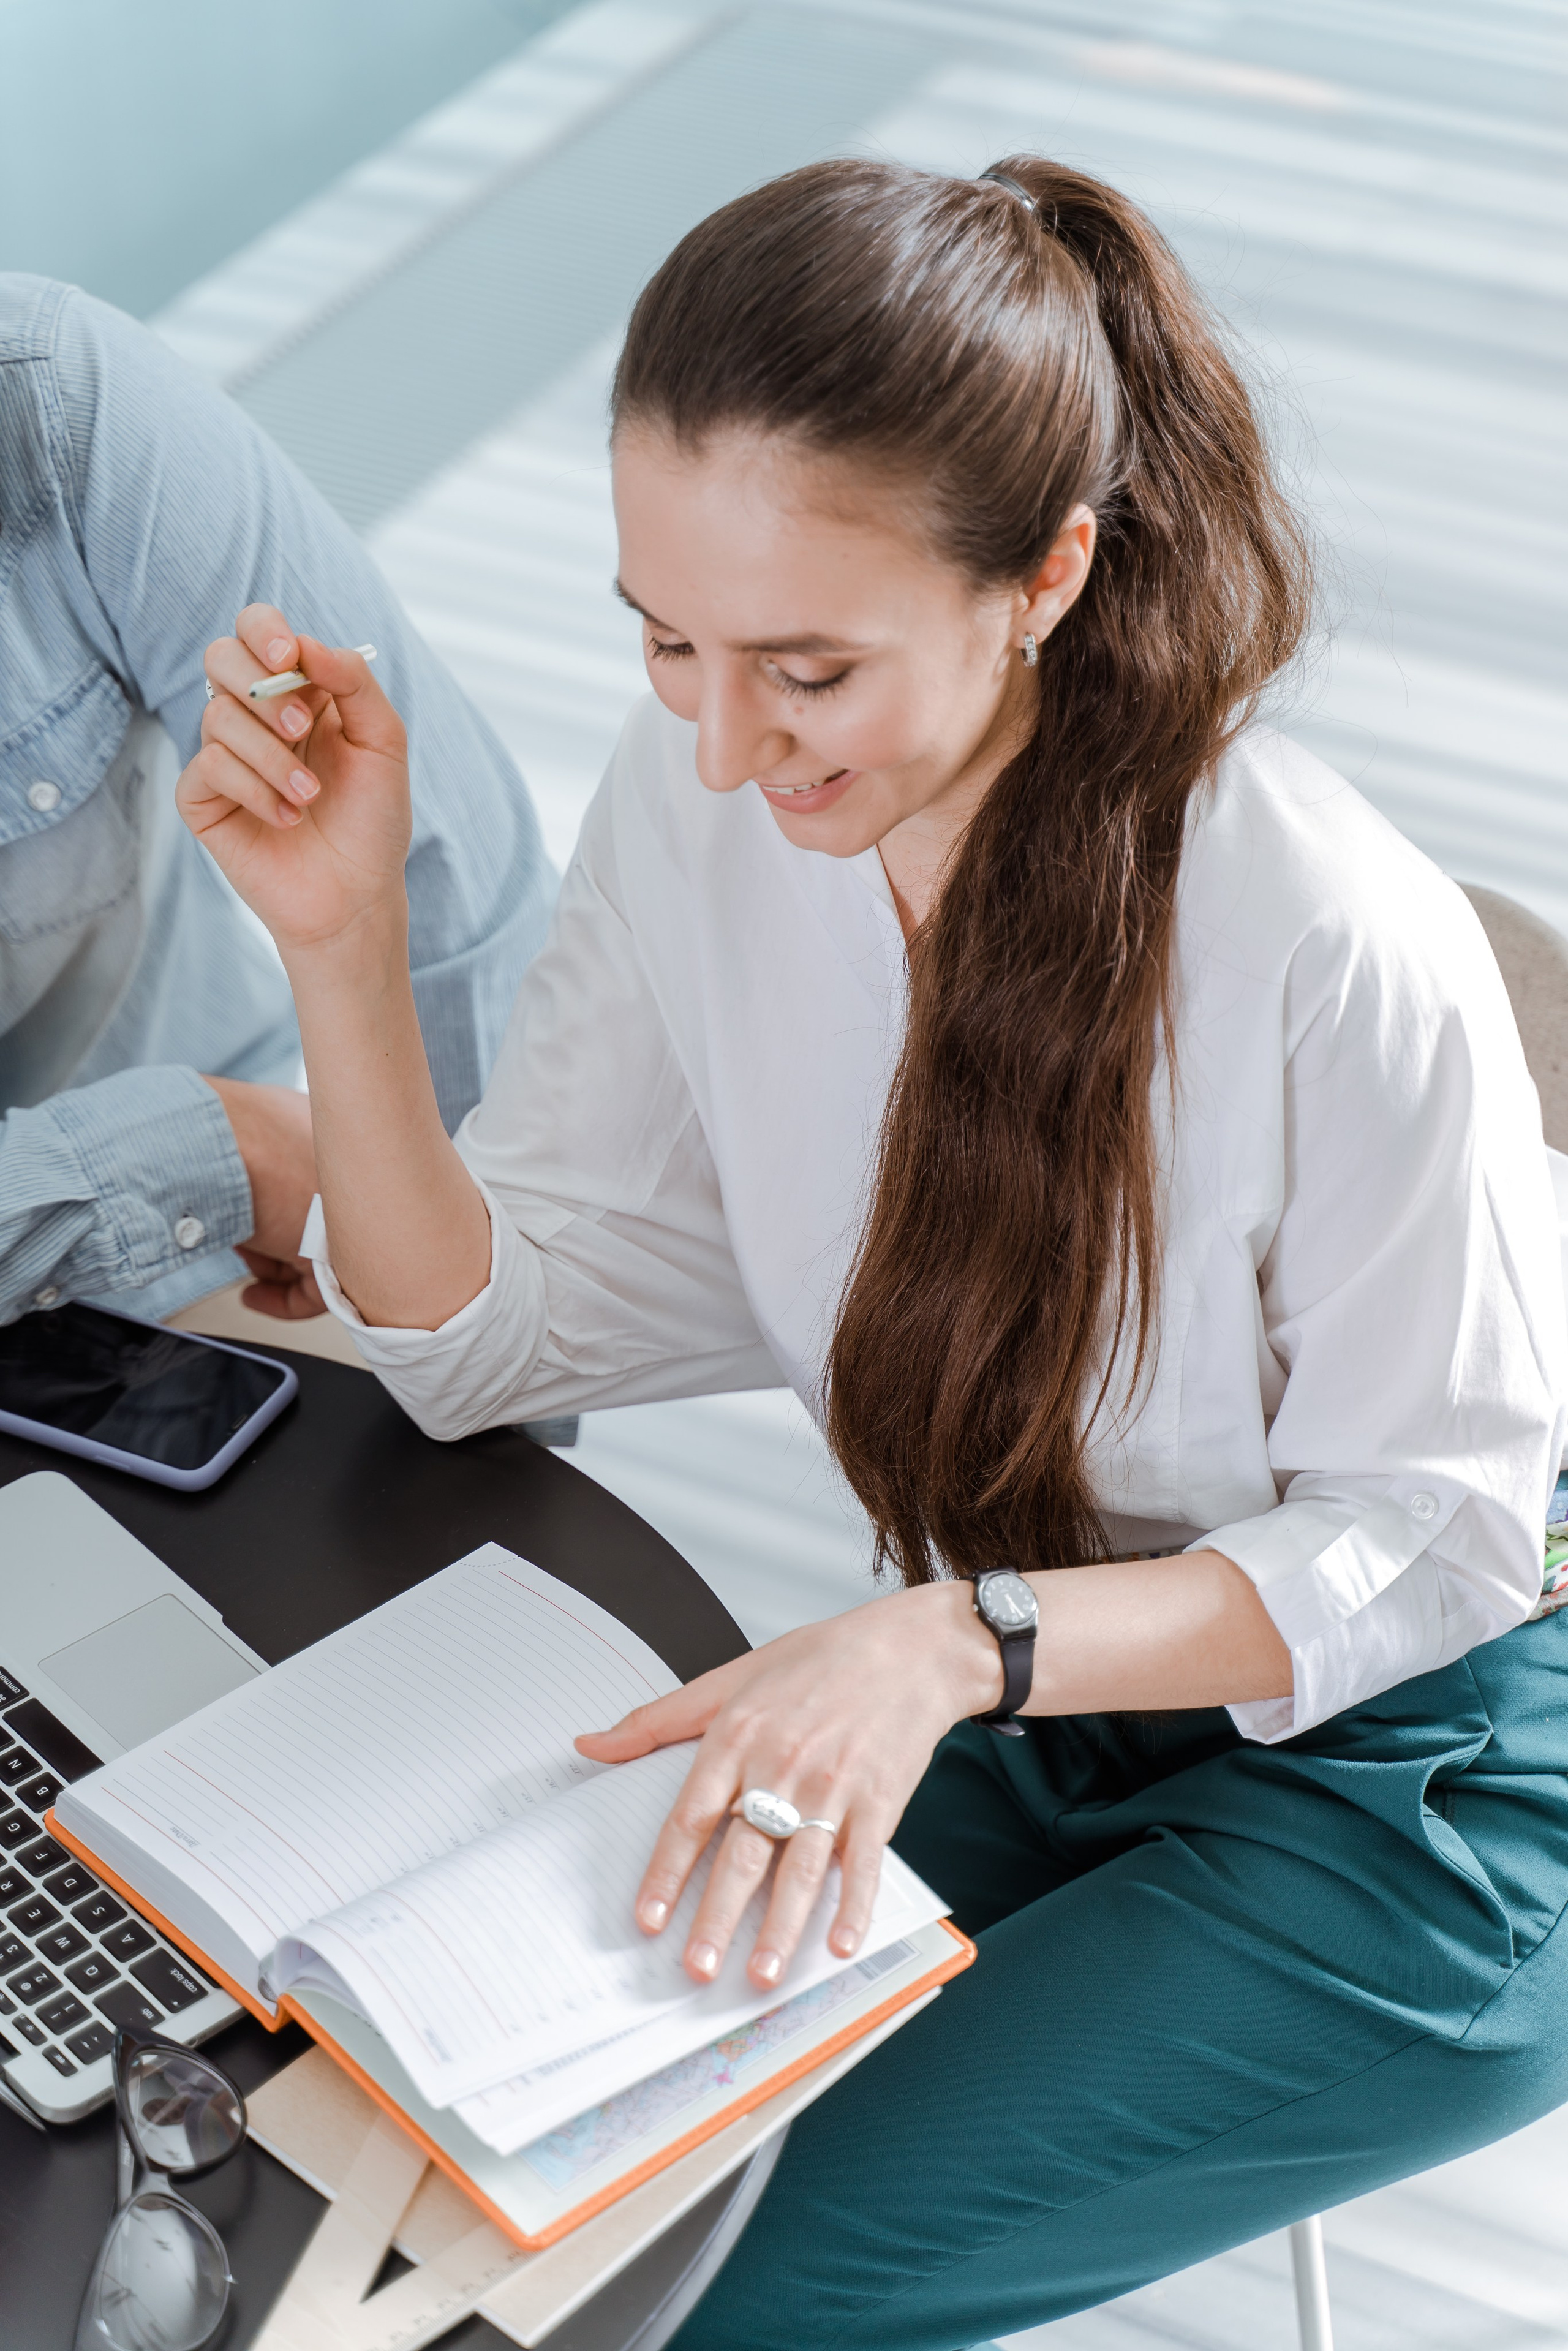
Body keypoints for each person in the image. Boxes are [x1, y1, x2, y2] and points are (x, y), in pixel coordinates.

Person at [175, 157, 1568, 2349]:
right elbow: (487, 1336)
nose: (721, 743)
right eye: (663, 642)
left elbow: (1447, 1539)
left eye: (806, 666)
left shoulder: (1325, 934)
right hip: (1037, 1681)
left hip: (1422, 1785)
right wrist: (337, 938)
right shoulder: (708, 800)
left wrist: (943, 1645)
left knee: (691, 2291)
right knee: (463, 2178)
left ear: (1046, 575)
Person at [0, 274, 554, 1331]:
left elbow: (453, 897)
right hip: (215, 1178)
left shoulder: (49, 405)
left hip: (210, 1265)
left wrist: (478, 1332)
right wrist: (214, 1146)